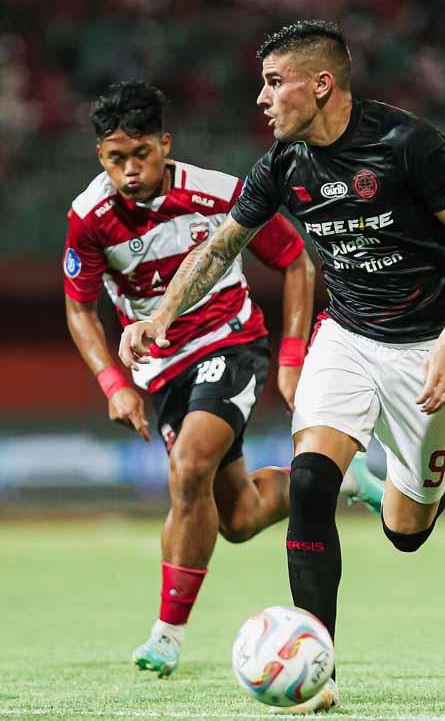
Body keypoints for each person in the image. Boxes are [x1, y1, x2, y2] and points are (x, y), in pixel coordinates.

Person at [118, 22, 445, 713]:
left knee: (406, 532)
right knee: (308, 479)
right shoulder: (282, 166)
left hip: (427, 346)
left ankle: (390, 485)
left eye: (273, 82)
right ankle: (317, 664)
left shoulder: (407, 145)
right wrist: (160, 316)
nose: (260, 98)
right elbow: (217, 249)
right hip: (347, 336)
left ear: (319, 83)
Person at [63, 81, 315, 678]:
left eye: (141, 154)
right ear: (100, 156)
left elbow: (295, 258)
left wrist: (292, 354)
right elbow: (79, 307)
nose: (129, 170)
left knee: (190, 466)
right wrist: (112, 383)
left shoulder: (219, 194)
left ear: (165, 145)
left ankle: (167, 635)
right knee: (239, 518)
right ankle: (329, 478)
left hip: (230, 340)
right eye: (114, 158)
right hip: (161, 370)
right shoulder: (88, 219)